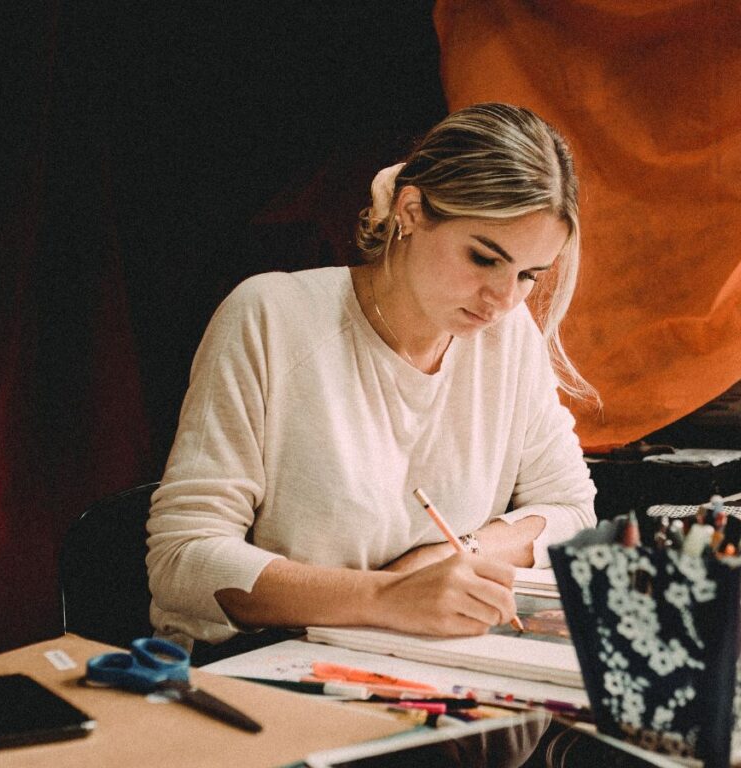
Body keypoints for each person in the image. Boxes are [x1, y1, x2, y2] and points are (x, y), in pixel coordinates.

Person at [146, 103, 598, 656]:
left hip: (404, 663)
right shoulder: (270, 316)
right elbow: (183, 560)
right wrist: (387, 597)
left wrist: (453, 556)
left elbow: (572, 512)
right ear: (411, 211)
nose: (503, 300)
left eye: (529, 275)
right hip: (258, 666)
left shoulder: (509, 337)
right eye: (484, 259)